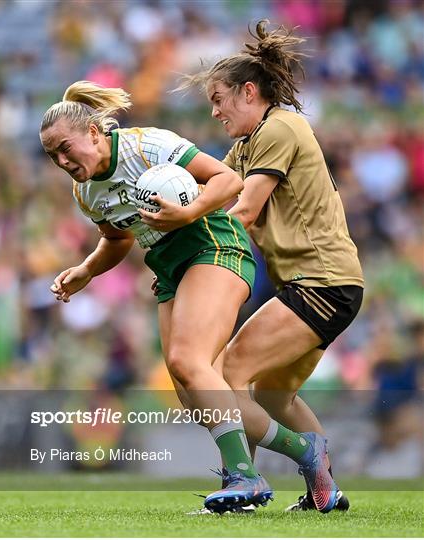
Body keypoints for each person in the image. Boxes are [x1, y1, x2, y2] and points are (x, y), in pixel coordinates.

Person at [147, 20, 364, 513]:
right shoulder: (246, 146)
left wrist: (184, 222)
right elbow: (214, 190)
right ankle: (324, 491)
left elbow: (241, 210)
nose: (214, 110)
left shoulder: (281, 127)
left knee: (221, 375)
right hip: (327, 285)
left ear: (250, 92)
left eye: (220, 99)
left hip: (319, 284)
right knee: (272, 397)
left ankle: (242, 479)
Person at [41, 80, 273, 513]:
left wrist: (187, 211)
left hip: (212, 244)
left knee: (190, 363)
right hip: (170, 267)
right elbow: (117, 239)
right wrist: (87, 270)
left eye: (66, 148)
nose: (61, 161)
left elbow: (229, 180)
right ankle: (305, 451)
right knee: (189, 390)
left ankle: (245, 476)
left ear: (94, 132)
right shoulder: (85, 191)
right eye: (52, 155)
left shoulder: (148, 146)